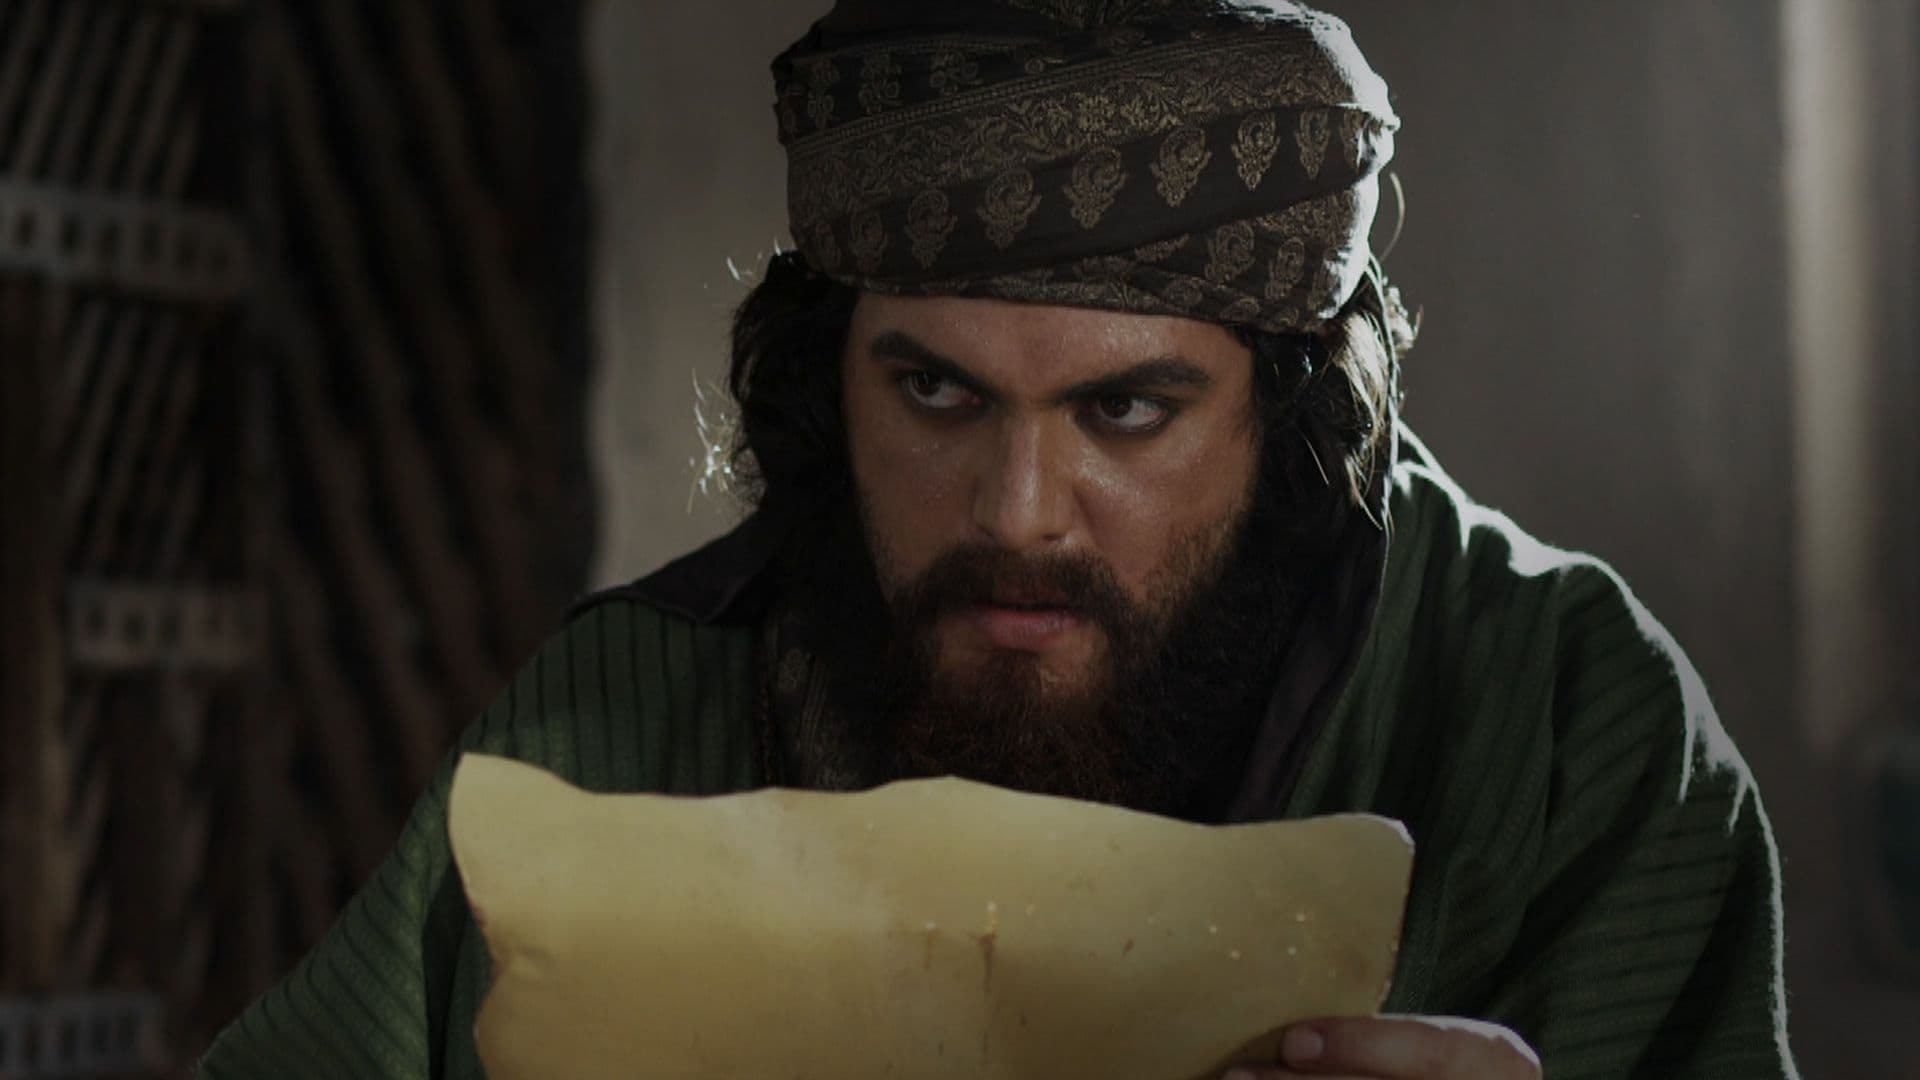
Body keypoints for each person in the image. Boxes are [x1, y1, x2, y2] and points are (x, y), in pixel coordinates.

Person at [198, 2, 1799, 1077]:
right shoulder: (614, 721)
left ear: (1298, 418)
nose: (1017, 509)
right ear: (822, 382)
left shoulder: (1564, 724)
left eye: (1127, 411)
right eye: (936, 392)